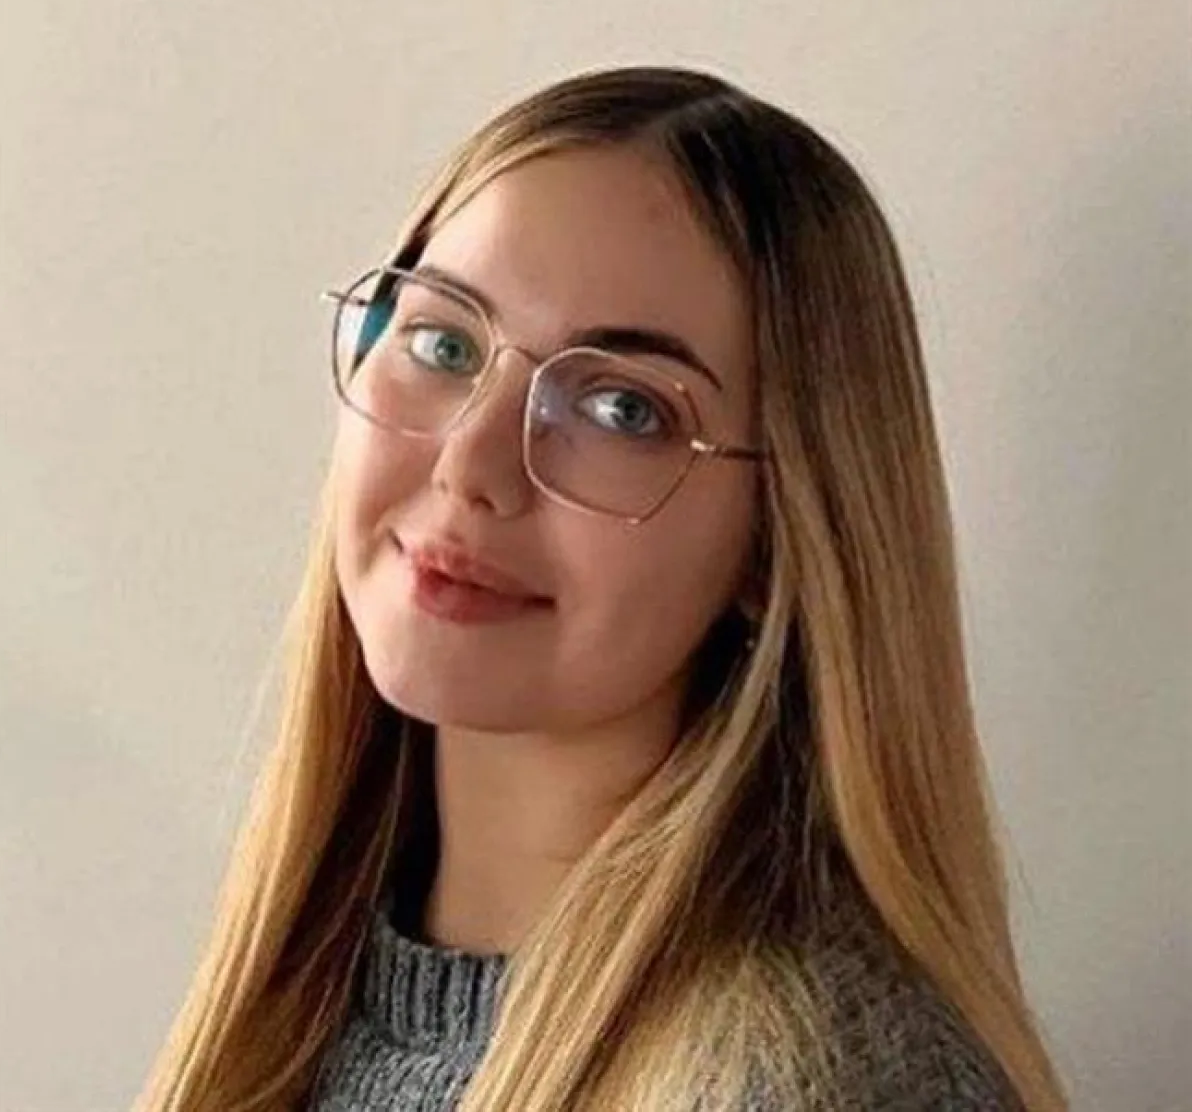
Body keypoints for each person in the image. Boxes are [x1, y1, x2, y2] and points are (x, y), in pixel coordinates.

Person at [134, 66, 1068, 1112]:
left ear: (777, 544)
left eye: (623, 409)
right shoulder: (307, 988)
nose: (470, 467)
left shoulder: (815, 1084)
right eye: (444, 343)